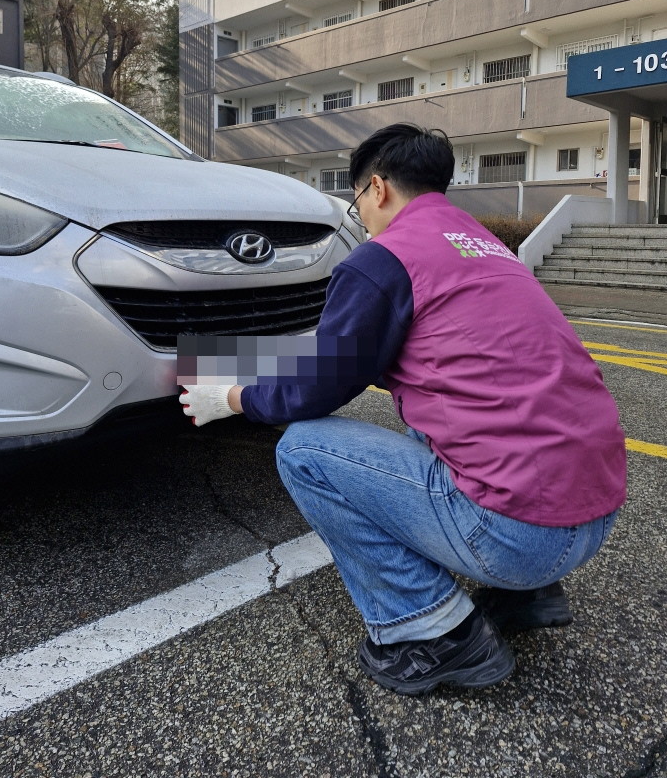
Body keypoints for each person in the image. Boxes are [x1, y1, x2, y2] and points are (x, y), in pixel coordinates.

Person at [179, 123, 627, 696]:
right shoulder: (489, 249)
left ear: (378, 187)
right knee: (439, 420)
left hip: (521, 536)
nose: (359, 212)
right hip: (594, 516)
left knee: (304, 449)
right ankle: (527, 597)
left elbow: (317, 389)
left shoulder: (386, 259)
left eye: (356, 198)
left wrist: (232, 396)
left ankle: (431, 633)